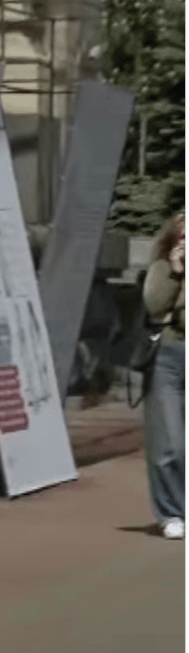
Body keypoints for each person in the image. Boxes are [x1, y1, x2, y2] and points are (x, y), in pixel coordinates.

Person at [142, 209, 186, 539]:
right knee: (169, 439)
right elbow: (154, 305)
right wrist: (174, 270)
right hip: (169, 354)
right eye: (183, 234)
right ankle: (171, 512)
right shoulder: (164, 263)